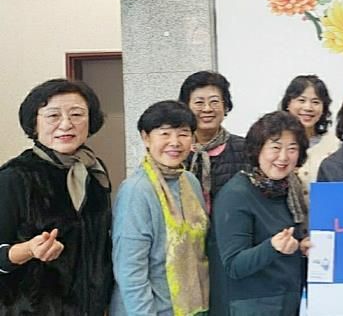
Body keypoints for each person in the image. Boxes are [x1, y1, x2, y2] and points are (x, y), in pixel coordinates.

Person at [0, 79, 113, 315]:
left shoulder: (94, 171)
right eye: (53, 116)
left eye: (77, 115)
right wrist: (29, 250)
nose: (66, 124)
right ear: (34, 124)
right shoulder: (15, 176)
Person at [111, 100, 208, 316]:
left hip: (191, 308)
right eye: (164, 134)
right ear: (146, 138)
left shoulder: (190, 181)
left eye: (183, 134)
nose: (175, 142)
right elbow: (130, 270)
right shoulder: (136, 190)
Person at [210, 111, 310, 315]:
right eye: (275, 147)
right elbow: (234, 265)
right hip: (250, 306)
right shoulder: (236, 194)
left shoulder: (290, 189)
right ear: (258, 150)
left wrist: (300, 247)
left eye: (292, 149)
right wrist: (273, 247)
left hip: (286, 300)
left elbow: (286, 245)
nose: (283, 157)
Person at [179, 70, 248, 213]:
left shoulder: (245, 149)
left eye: (214, 102)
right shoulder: (177, 151)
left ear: (226, 106)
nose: (207, 109)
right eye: (199, 103)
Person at [280, 75, 339, 203]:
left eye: (315, 102)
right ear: (288, 104)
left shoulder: (335, 145)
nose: (308, 107)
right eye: (301, 100)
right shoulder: (275, 142)